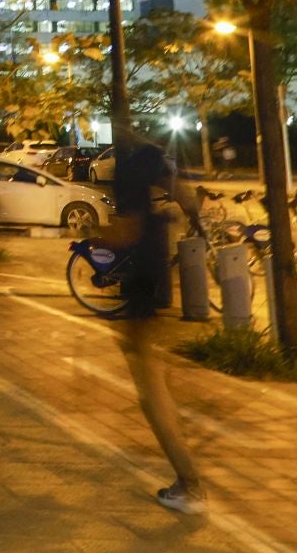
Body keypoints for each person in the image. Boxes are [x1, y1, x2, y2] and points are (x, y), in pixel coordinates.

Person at [109, 133, 206, 514]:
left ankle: (190, 484)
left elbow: (125, 231)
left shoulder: (127, 175)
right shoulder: (153, 169)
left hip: (140, 282)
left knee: (151, 396)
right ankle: (187, 480)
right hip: (153, 275)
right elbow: (185, 195)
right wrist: (188, 215)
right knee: (147, 374)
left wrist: (93, 235)